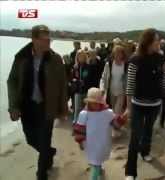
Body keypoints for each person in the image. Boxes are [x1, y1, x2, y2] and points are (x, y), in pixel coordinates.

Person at [7, 25, 68, 180]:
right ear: (34, 39)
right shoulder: (21, 57)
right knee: (30, 139)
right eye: (44, 39)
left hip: (47, 106)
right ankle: (49, 152)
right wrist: (13, 106)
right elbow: (12, 81)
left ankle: (41, 174)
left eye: (49, 39)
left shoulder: (55, 59)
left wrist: (63, 109)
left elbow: (62, 84)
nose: (48, 42)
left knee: (44, 138)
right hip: (27, 105)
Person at [124, 29, 165, 180]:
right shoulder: (135, 59)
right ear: (148, 42)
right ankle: (130, 172)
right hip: (138, 104)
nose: (159, 42)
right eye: (157, 40)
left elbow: (164, 80)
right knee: (135, 136)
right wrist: (128, 109)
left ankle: (145, 152)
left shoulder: (161, 58)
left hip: (155, 103)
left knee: (148, 131)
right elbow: (130, 85)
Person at [73, 88, 126, 180]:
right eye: (92, 102)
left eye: (97, 102)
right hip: (90, 144)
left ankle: (98, 169)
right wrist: (80, 141)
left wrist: (122, 118)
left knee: (97, 160)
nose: (95, 104)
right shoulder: (84, 114)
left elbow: (116, 124)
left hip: (103, 143)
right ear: (88, 102)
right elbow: (79, 129)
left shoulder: (107, 113)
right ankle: (96, 172)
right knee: (95, 161)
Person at [100, 45, 128, 114]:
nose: (117, 54)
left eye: (119, 53)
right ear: (113, 54)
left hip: (121, 92)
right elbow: (103, 77)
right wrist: (102, 88)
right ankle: (115, 123)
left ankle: (116, 123)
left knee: (117, 111)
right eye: (115, 53)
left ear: (122, 54)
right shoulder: (109, 64)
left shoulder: (126, 65)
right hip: (111, 91)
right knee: (112, 111)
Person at [72, 50, 91, 123]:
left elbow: (90, 79)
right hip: (78, 90)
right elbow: (72, 78)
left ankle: (85, 123)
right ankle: (76, 123)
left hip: (86, 90)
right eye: (79, 56)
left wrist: (85, 82)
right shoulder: (75, 67)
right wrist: (76, 81)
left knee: (85, 109)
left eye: (83, 56)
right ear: (77, 57)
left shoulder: (88, 67)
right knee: (77, 108)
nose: (81, 57)